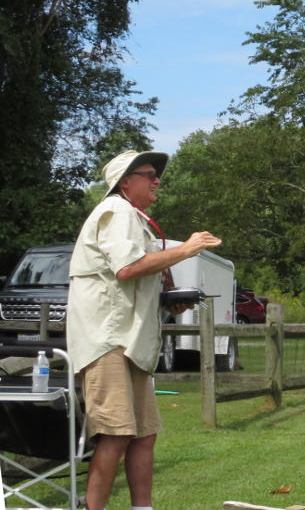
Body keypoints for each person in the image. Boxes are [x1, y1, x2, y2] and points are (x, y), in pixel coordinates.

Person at [67, 150, 222, 510]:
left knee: (144, 435)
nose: (157, 180)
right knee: (116, 435)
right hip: (108, 343)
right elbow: (128, 269)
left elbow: (130, 283)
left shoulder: (134, 218)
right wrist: (187, 249)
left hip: (131, 343)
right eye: (149, 174)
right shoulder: (116, 211)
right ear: (125, 182)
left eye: (157, 174)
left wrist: (167, 302)